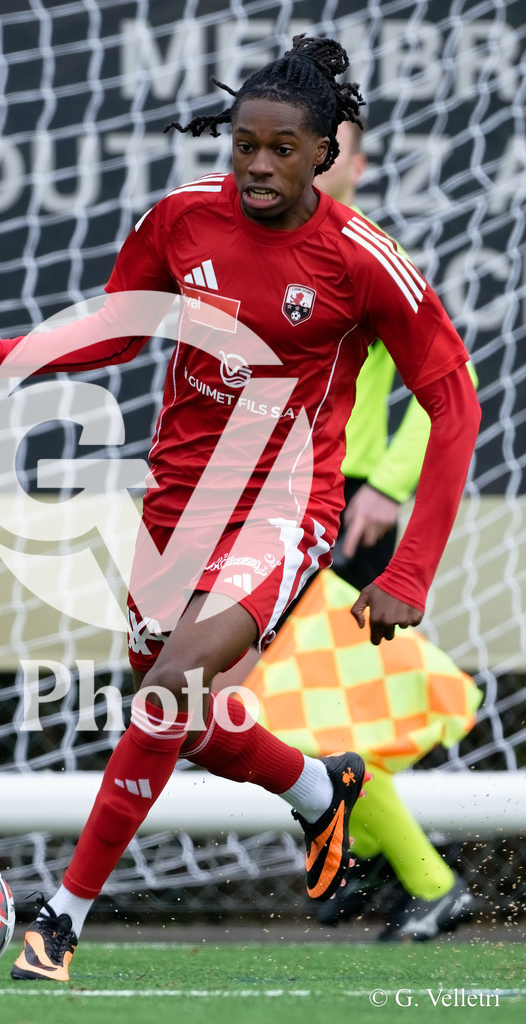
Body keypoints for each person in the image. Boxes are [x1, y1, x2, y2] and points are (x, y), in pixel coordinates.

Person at [0, 36, 480, 980]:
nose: (258, 166)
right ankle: (323, 791)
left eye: (281, 149)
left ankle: (62, 919)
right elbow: (116, 330)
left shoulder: (361, 259)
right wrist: (5, 356)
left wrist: (411, 569)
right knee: (184, 717)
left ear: (327, 153)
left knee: (170, 681)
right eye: (244, 146)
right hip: (176, 504)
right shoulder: (182, 218)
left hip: (285, 506)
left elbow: (454, 401)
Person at [217, 119, 479, 941]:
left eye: (322, 149)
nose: (293, 163)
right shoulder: (253, 244)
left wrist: (390, 487)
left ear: (350, 164)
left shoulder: (367, 252)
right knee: (267, 704)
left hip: (336, 506)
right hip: (269, 503)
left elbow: (452, 378)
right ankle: (379, 865)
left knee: (284, 706)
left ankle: (417, 875)